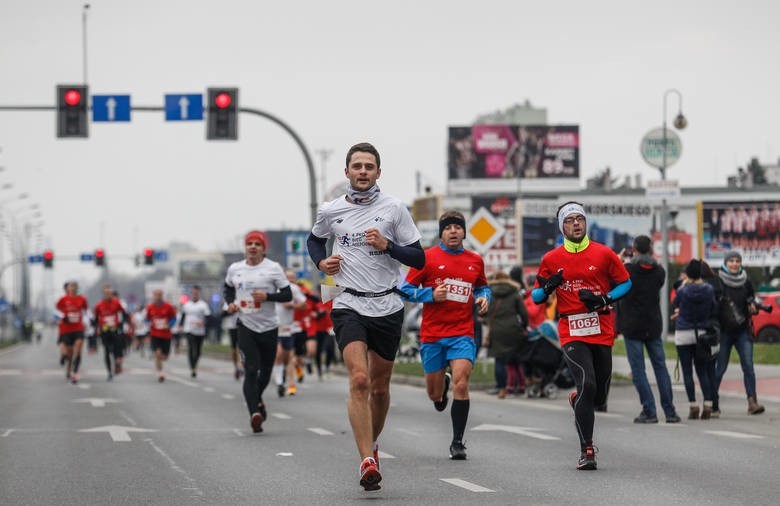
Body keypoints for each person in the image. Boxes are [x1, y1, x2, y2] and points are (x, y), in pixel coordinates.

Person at [307, 142, 424, 491]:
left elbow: (418, 259)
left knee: (380, 388)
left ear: (378, 173)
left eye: (368, 166)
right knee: (359, 380)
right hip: (348, 304)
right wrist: (321, 263)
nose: (362, 172)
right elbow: (315, 241)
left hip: (387, 305)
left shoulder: (395, 209)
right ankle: (367, 460)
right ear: (346, 172)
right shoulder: (330, 210)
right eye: (356, 166)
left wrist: (389, 246)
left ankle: (372, 441)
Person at [532, 202, 631, 471]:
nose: (576, 224)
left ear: (585, 223)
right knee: (586, 382)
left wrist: (604, 299)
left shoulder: (604, 253)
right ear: (562, 226)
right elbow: (536, 296)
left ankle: (579, 401)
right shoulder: (551, 259)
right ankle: (587, 449)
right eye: (570, 220)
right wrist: (549, 287)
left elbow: (626, 282)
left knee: (597, 396)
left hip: (601, 328)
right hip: (571, 330)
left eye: (580, 219)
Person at [399, 211, 490, 460]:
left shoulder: (474, 260)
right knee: (434, 395)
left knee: (463, 382)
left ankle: (457, 442)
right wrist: (429, 296)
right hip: (433, 335)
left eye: (457, 227)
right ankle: (442, 387)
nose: (453, 231)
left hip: (462, 333)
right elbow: (404, 291)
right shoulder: (427, 258)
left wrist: (484, 298)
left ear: (463, 232)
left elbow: (482, 286)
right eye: (448, 228)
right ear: (441, 233)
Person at [224, 230, 292, 434]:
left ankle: (257, 400)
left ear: (263, 248)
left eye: (257, 244)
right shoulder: (235, 269)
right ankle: (254, 413)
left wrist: (268, 297)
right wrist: (230, 304)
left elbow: (287, 294)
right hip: (245, 325)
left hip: (269, 327)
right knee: (251, 370)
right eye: (249, 243)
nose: (253, 247)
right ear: (245, 247)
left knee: (266, 373)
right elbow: (227, 289)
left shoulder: (273, 268)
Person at [617, 236, 681, 424]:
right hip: (653, 325)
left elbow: (615, 281)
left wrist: (621, 260)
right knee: (660, 367)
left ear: (634, 249)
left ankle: (649, 410)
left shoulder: (627, 270)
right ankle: (670, 412)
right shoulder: (659, 272)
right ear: (651, 249)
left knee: (638, 370)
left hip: (632, 326)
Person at [713, 251, 765, 416]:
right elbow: (713, 304)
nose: (735, 264)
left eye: (737, 261)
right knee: (720, 368)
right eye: (731, 261)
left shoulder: (746, 281)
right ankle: (713, 403)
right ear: (725, 263)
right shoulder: (718, 281)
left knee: (748, 366)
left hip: (743, 331)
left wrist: (753, 307)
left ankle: (752, 402)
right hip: (724, 332)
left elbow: (751, 299)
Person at [672, 259, 719, 420]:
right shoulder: (709, 289)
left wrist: (684, 284)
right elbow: (713, 307)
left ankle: (693, 405)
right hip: (702, 334)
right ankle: (708, 404)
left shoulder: (684, 290)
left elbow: (675, 302)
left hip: (683, 333)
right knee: (702, 370)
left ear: (688, 274)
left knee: (687, 371)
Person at [484, 271, 527, 400]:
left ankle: (501, 388)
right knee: (516, 358)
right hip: (513, 329)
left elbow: (483, 312)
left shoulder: (489, 293)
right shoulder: (514, 292)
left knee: (499, 360)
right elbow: (523, 313)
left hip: (496, 330)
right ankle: (520, 385)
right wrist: (524, 326)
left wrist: (488, 321)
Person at [272, 270, 307, 397]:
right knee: (278, 354)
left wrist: (291, 305)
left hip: (288, 327)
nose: (290, 280)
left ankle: (284, 376)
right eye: (287, 277)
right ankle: (280, 383)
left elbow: (304, 305)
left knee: (287, 358)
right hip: (274, 326)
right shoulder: (274, 287)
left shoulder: (294, 289)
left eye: (292, 278)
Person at [54, 281, 89, 384]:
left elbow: (86, 311)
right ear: (68, 289)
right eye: (71, 287)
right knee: (70, 353)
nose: (73, 288)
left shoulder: (82, 299)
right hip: (66, 329)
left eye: (75, 287)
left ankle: (75, 373)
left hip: (78, 328)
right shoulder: (63, 299)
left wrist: (87, 322)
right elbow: (56, 310)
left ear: (77, 288)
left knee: (78, 349)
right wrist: (63, 317)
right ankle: (69, 368)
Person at [93, 284, 128, 381]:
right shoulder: (99, 305)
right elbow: (95, 319)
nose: (108, 295)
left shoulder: (116, 303)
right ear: (103, 294)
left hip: (115, 329)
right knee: (107, 351)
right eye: (106, 293)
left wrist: (122, 324)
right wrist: (95, 330)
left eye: (109, 293)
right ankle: (109, 372)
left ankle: (117, 362)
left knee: (117, 348)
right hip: (104, 331)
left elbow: (124, 314)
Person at [145, 289, 178, 383]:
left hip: (166, 335)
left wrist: (169, 325)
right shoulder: (150, 307)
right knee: (157, 354)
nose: (158, 297)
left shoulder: (168, 307)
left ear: (162, 296)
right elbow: (147, 319)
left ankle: (160, 368)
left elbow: (174, 318)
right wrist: (150, 323)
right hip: (155, 334)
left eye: (159, 295)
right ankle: (160, 373)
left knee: (164, 357)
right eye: (156, 295)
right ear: (153, 296)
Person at [180, 285, 212, 378]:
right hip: (189, 329)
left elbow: (208, 317)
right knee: (190, 348)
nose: (194, 295)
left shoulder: (203, 305)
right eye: (193, 293)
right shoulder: (187, 305)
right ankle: (192, 368)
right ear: (191, 294)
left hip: (200, 331)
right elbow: (183, 316)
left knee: (198, 351)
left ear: (199, 294)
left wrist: (203, 322)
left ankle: (195, 364)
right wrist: (181, 325)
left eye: (196, 293)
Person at [221, 302, 242, 380]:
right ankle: (236, 366)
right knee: (233, 350)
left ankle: (241, 367)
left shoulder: (244, 297)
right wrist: (231, 311)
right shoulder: (228, 301)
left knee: (242, 348)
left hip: (243, 326)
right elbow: (222, 314)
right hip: (232, 327)